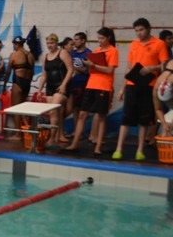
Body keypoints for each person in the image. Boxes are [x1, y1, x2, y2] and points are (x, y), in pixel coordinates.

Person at [112, 18, 169, 160]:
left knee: (144, 120)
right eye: (136, 31)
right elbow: (129, 67)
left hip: (149, 86)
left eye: (141, 30)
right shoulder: (134, 45)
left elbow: (165, 65)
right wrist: (122, 88)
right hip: (132, 85)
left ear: (149, 29)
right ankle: (119, 149)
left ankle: (140, 150)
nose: (139, 33)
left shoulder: (159, 44)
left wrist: (152, 68)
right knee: (126, 118)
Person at [65, 27, 118, 155]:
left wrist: (94, 65)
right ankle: (75, 142)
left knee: (101, 116)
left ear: (108, 38)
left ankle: (98, 146)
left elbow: (110, 70)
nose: (99, 41)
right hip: (91, 84)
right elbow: (91, 70)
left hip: (103, 86)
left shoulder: (113, 51)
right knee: (82, 114)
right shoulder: (97, 51)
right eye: (98, 38)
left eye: (102, 38)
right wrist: (89, 65)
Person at [37, 33, 74, 146]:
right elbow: (44, 75)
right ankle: (59, 135)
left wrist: (63, 85)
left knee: (54, 111)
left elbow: (70, 69)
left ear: (57, 43)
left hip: (61, 86)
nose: (50, 45)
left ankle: (52, 138)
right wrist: (39, 90)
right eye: (48, 43)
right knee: (55, 112)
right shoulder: (45, 57)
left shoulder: (62, 53)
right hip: (50, 88)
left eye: (52, 43)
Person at [6, 35, 35, 136]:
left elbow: (8, 72)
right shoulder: (30, 55)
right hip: (27, 83)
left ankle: (17, 134)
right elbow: (32, 72)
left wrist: (5, 84)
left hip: (18, 82)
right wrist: (29, 83)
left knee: (15, 108)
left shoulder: (14, 55)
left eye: (14, 44)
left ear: (16, 44)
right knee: (23, 108)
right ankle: (25, 130)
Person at [66, 32, 92, 136]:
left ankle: (80, 132)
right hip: (73, 84)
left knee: (82, 109)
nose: (74, 42)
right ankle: (76, 132)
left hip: (84, 84)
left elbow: (88, 71)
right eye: (74, 39)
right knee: (74, 108)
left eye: (77, 39)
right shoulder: (72, 53)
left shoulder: (88, 53)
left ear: (83, 40)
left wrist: (74, 68)